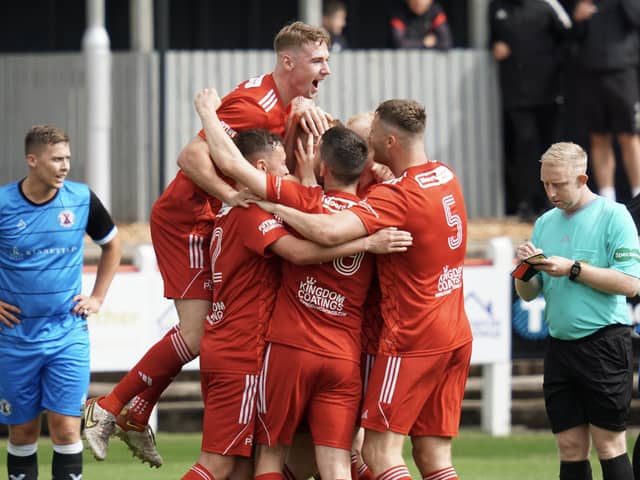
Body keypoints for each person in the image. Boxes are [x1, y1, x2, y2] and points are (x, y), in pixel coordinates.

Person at [82, 20, 333, 467]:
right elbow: (191, 156)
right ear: (288, 61)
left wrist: (298, 118)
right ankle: (109, 407)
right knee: (199, 334)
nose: (326, 70)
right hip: (187, 220)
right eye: (318, 61)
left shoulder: (278, 104)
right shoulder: (257, 106)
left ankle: (136, 412)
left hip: (206, 220)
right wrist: (233, 197)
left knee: (212, 331)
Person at [219, 98, 472, 480]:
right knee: (432, 455)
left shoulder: (393, 196)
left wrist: (276, 207)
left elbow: (323, 231)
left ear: (388, 143)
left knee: (375, 451)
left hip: (411, 335)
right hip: (454, 330)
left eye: (370, 136)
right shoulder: (445, 175)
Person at [194, 88, 415, 480]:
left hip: (289, 350)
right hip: (343, 356)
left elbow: (231, 161)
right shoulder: (377, 209)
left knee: (269, 458)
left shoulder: (302, 202)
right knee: (337, 464)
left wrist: (206, 111)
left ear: (322, 166)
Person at [0, 125, 121, 480]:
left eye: (67, 158)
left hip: (67, 334)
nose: (65, 165)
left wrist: (97, 297)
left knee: (66, 429)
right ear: (32, 160)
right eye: (56, 159)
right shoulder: (4, 204)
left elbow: (111, 245)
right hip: (14, 338)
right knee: (21, 432)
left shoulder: (82, 199)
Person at [514, 142, 640, 480]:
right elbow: (528, 295)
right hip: (560, 345)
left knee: (609, 445)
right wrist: (525, 269)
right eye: (545, 184)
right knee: (569, 448)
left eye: (559, 184)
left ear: (582, 178)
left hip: (604, 342)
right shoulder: (545, 222)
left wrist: (574, 268)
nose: (551, 192)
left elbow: (631, 284)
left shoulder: (613, 215)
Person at [489, 0, 572, 219]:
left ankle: (550, 201)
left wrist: (553, 68)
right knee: (524, 144)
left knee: (550, 147)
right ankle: (526, 202)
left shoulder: (547, 5)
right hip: (516, 92)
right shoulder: (497, 6)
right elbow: (493, 39)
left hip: (548, 91)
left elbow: (569, 37)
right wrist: (496, 45)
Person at [565, 0, 640, 202]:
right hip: (591, 73)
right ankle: (607, 200)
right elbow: (572, 38)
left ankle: (637, 196)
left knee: (629, 136)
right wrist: (578, 20)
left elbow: (636, 19)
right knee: (599, 137)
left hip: (622, 71)